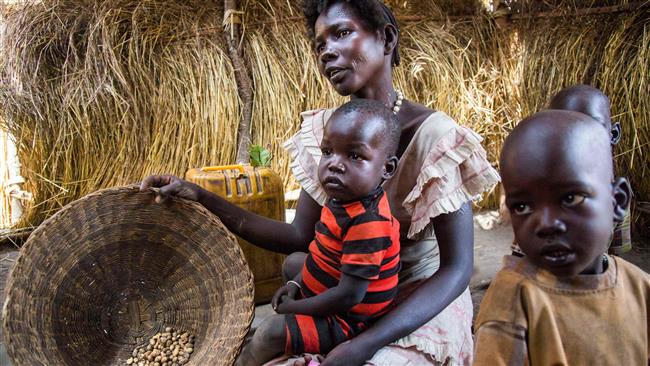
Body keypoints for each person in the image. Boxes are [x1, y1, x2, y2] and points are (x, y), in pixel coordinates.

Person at [141, 1, 499, 364]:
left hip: (416, 293)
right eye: (319, 44)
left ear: (386, 38)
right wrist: (201, 196)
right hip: (348, 285)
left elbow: (456, 271)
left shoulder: (437, 138)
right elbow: (300, 236)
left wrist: (364, 344)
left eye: (342, 33)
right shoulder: (328, 135)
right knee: (295, 268)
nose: (327, 51)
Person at [474, 110, 649, 365]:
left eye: (570, 198)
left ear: (617, 201)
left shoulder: (641, 288)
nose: (545, 224)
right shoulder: (513, 301)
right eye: (522, 207)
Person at [236, 99, 401, 365]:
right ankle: (300, 322)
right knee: (294, 263)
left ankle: (244, 361)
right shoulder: (342, 199)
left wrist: (294, 308)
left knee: (269, 332)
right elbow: (321, 255)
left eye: (355, 156)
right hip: (335, 290)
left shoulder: (368, 223)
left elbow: (348, 297)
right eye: (328, 152)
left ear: (387, 169)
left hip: (352, 320)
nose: (334, 164)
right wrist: (294, 284)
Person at [510, 85, 632, 256]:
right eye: (564, 129)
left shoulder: (617, 194)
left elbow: (613, 264)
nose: (579, 138)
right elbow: (520, 259)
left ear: (613, 134)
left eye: (592, 125)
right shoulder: (542, 195)